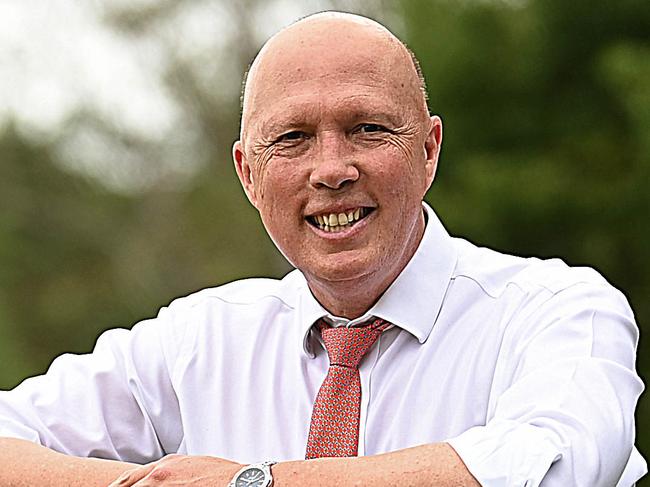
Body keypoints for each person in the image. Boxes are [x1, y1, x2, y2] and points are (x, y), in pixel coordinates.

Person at [0, 11, 645, 486]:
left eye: (367, 128)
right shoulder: (197, 340)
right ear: (248, 174)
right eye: (293, 138)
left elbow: (554, 464)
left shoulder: (559, 311)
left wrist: (252, 483)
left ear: (428, 151)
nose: (332, 168)